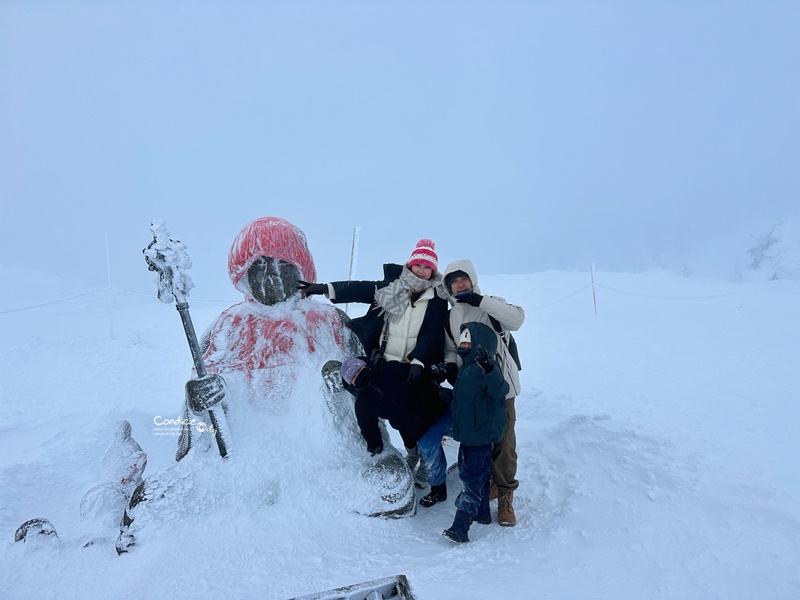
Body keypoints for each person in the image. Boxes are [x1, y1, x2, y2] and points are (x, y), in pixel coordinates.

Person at [298, 239, 449, 486]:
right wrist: (324, 288)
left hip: (414, 366)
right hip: (388, 362)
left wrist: (419, 361)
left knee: (416, 413)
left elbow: (433, 334)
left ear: (433, 271)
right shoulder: (394, 287)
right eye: (417, 265)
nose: (421, 270)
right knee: (395, 411)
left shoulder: (437, 299)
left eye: (426, 267)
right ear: (409, 265)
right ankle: (411, 453)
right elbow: (362, 289)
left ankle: (425, 455)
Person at [417, 258, 524, 526]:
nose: (459, 285)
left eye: (463, 280)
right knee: (481, 443)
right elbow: (451, 349)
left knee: (504, 444)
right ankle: (490, 483)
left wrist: (481, 301)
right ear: (449, 288)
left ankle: (506, 496)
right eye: (453, 282)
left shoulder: (490, 303)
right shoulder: (452, 315)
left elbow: (517, 320)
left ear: (472, 279)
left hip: (502, 388)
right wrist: (451, 369)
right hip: (474, 392)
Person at [442, 322, 509, 543]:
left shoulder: (487, 368)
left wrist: (489, 368)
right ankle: (481, 513)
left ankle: (460, 526)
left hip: (479, 437)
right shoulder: (466, 368)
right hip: (468, 436)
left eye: (468, 341)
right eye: (462, 340)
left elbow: (501, 390)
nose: (463, 345)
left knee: (470, 480)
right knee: (476, 476)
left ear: (481, 345)